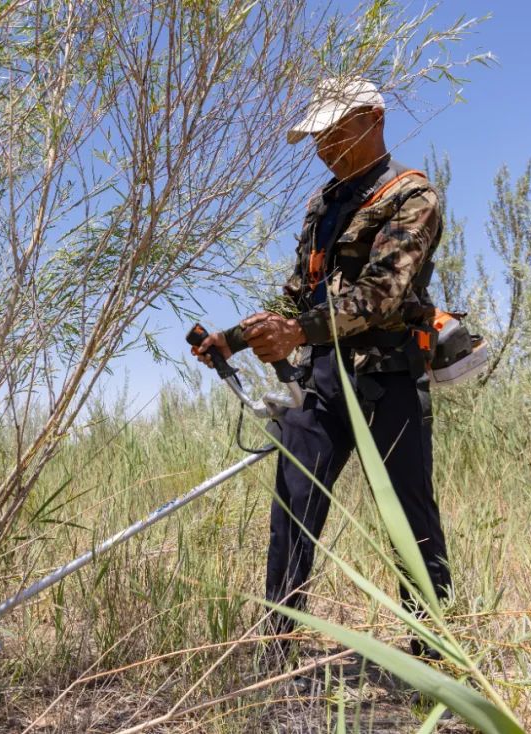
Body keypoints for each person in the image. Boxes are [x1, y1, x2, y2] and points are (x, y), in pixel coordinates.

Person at [192, 78, 453, 662]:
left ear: (372, 118)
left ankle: (438, 657)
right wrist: (230, 340)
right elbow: (297, 297)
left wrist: (298, 330)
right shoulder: (323, 205)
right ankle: (276, 655)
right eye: (316, 136)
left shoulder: (412, 196)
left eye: (333, 131)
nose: (322, 146)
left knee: (408, 517)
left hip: (388, 379)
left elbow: (382, 295)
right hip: (320, 379)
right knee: (293, 512)